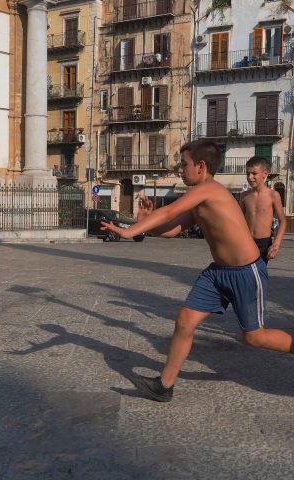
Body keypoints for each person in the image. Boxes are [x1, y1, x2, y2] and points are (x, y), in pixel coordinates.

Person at [101, 140, 293, 402]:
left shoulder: (210, 190)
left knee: (254, 337)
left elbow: (169, 210)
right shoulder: (198, 198)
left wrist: (128, 231)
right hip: (217, 274)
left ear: (201, 166)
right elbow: (171, 228)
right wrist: (143, 223)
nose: (180, 169)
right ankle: (164, 385)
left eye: (184, 164)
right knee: (185, 321)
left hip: (246, 273)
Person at [240, 156, 286, 263]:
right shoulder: (244, 195)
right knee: (244, 274)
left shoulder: (273, 195)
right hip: (246, 241)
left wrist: (276, 244)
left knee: (259, 274)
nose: (250, 177)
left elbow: (282, 221)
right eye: (248, 174)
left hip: (264, 244)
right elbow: (239, 219)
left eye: (254, 173)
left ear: (265, 174)